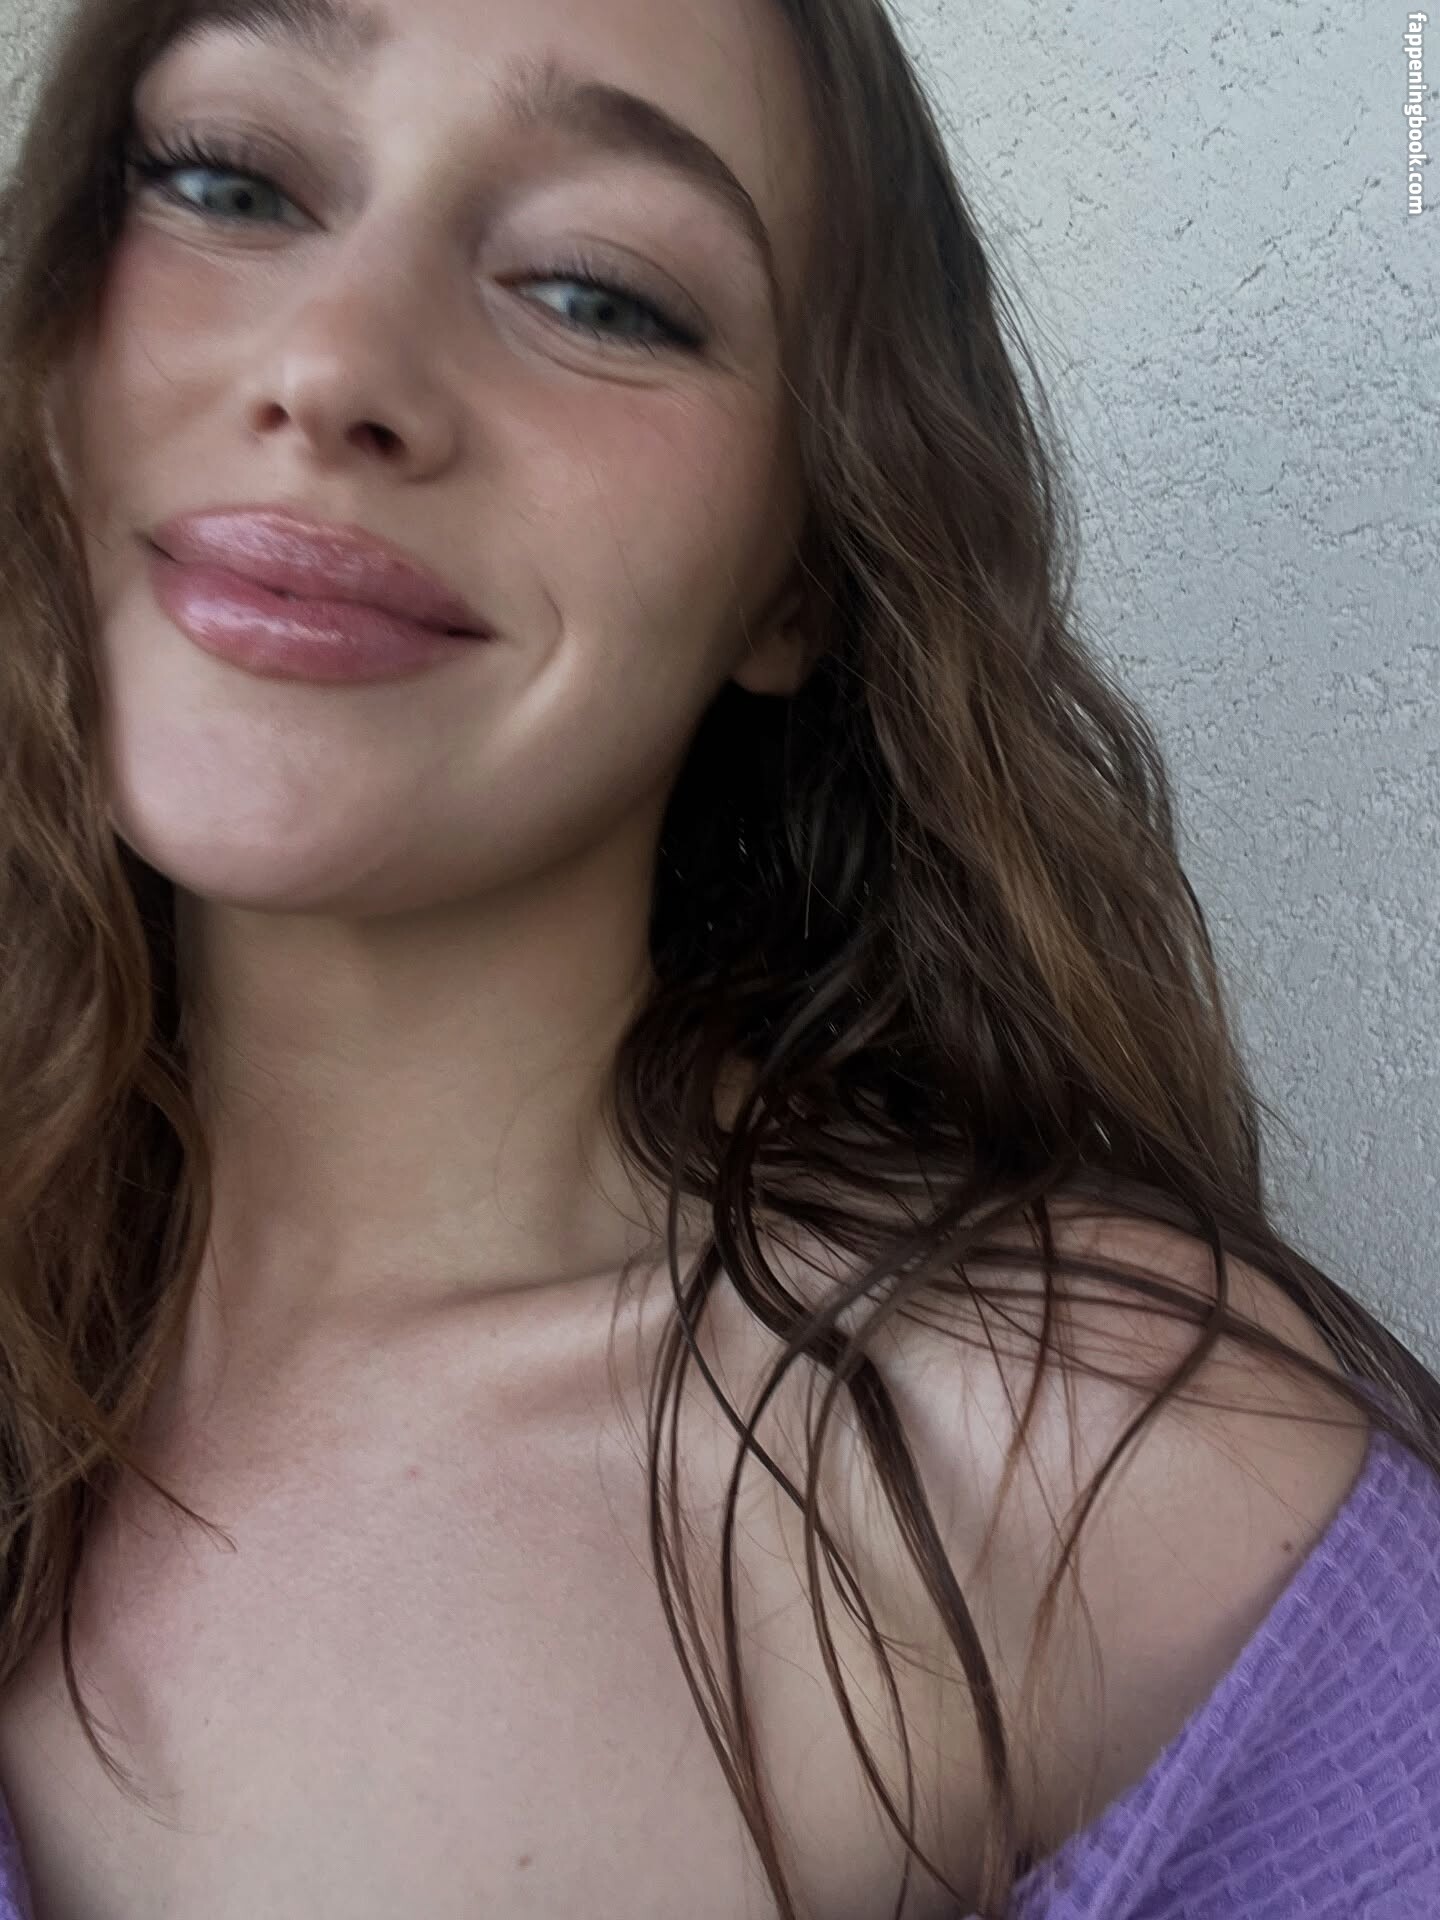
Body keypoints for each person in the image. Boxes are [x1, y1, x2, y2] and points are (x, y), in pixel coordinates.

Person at [0, 0, 1434, 1915]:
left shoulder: (1088, 1484)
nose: (333, 365)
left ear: (799, 574)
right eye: (229, 183)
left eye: (599, 292)